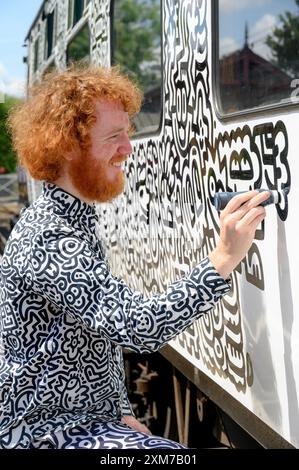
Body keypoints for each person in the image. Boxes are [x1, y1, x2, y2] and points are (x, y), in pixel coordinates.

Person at [0, 66, 269, 449]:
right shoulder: (50, 236)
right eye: (114, 137)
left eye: (127, 133)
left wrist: (118, 410)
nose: (128, 148)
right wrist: (223, 257)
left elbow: (94, 341)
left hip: (83, 421)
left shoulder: (68, 219)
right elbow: (139, 326)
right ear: (67, 147)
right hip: (44, 434)